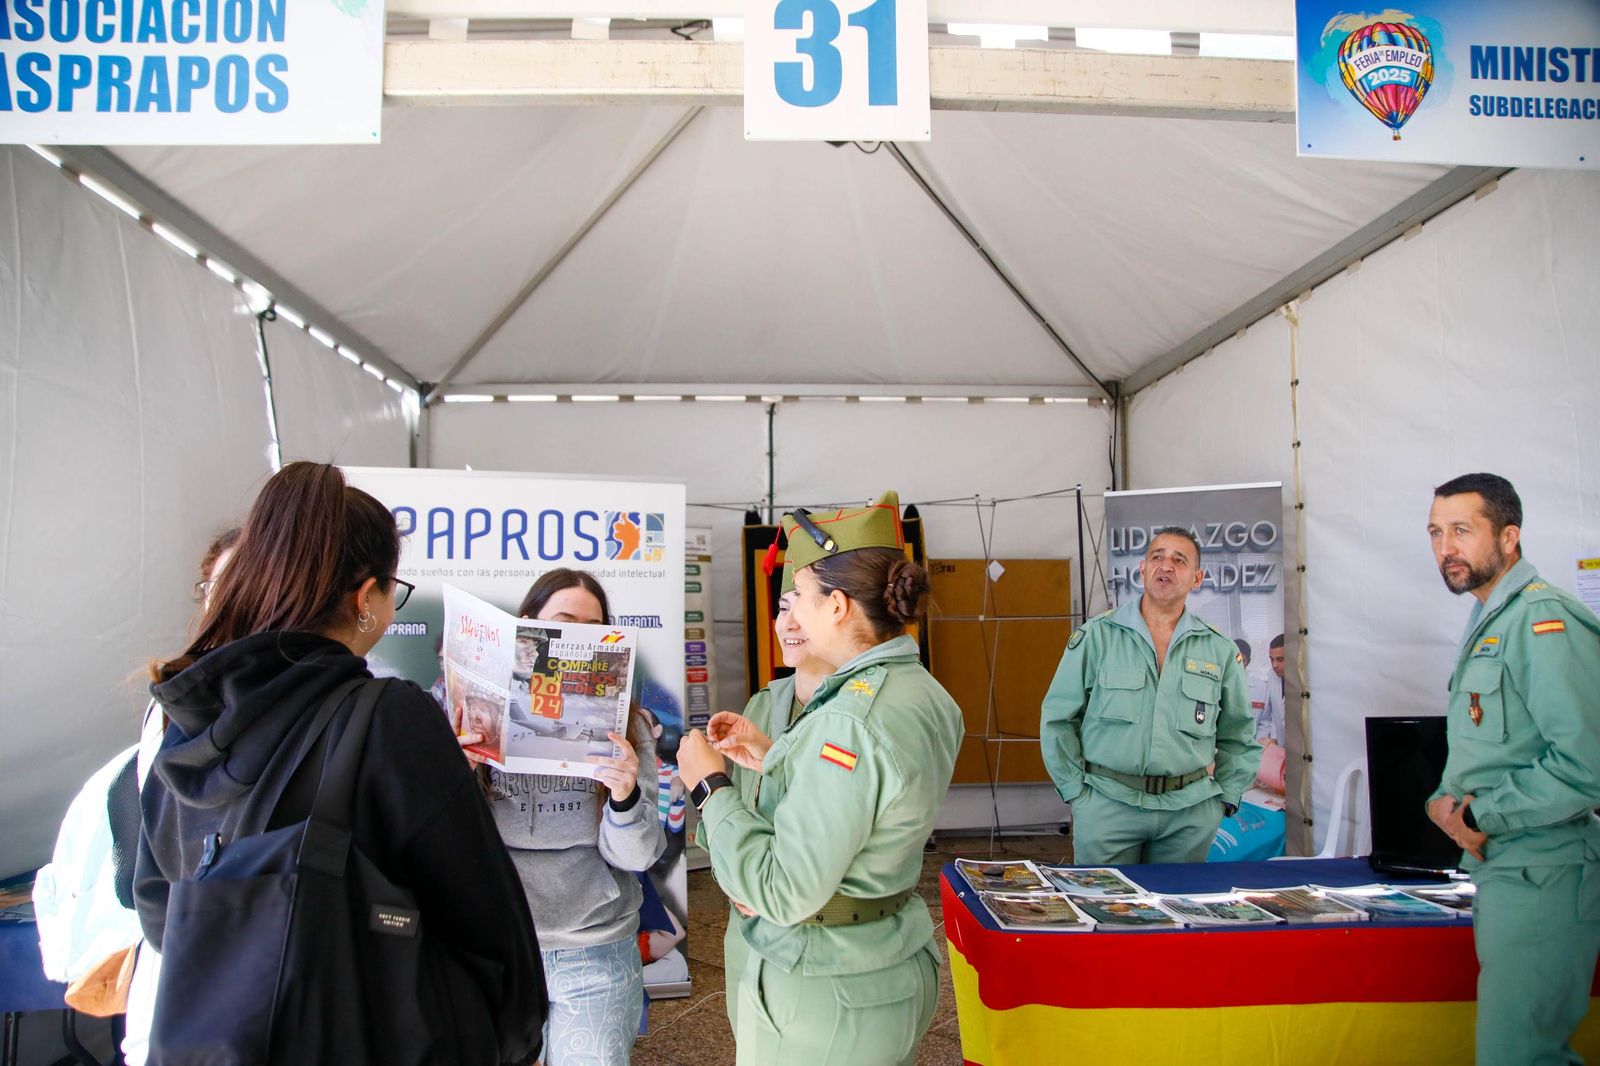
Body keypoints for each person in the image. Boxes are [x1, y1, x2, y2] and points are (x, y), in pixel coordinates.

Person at [135, 462, 545, 1066]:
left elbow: (156, 910)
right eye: (393, 590)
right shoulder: (389, 719)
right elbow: (495, 945)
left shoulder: (186, 718)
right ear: (365, 599)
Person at [678, 492, 962, 1066]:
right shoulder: (920, 691)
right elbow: (876, 801)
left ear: (836, 606)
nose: (790, 617)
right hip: (884, 963)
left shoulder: (846, 719)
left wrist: (711, 787)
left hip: (824, 988)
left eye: (799, 598)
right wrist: (780, 755)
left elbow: (784, 890)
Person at [1424, 472, 1600, 1066]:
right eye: (1435, 533)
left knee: (1521, 1056)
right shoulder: (1489, 616)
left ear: (1509, 537)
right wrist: (1447, 801)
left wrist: (1481, 812)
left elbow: (1586, 763)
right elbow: (1496, 742)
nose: (1446, 547)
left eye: (1461, 531)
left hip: (1546, 867)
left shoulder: (1542, 618)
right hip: (1508, 864)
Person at [478, 568, 666, 1066]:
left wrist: (624, 795)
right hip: (498, 947)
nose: (578, 638)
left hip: (595, 948)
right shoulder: (477, 715)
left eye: (593, 626)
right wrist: (461, 771)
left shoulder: (630, 728)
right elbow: (447, 845)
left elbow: (639, 856)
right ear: (527, 628)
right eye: (564, 622)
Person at [1041, 526, 1261, 864]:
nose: (1166, 566)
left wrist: (1224, 798)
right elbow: (1058, 719)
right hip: (1107, 805)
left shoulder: (1218, 649)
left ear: (1197, 578)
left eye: (1179, 560)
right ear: (1142, 569)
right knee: (1105, 910)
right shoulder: (1097, 637)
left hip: (1188, 814)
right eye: (1157, 557)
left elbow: (1239, 734)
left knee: (1177, 912)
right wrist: (1077, 793)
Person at [709, 555, 830, 1036]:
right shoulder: (763, 702)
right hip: (749, 926)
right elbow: (738, 806)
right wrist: (733, 883)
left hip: (817, 928)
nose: (789, 623)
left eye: (804, 604)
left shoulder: (858, 712)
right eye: (783, 607)